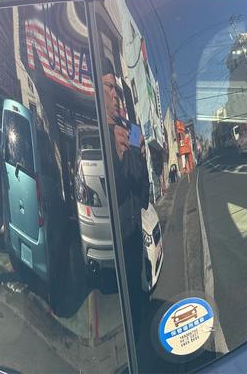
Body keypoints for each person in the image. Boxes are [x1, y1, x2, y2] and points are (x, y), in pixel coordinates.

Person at [101, 57, 150, 340]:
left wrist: (140, 155)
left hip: (134, 228)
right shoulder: (100, 133)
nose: (115, 94)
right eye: (108, 87)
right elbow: (109, 192)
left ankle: (140, 332)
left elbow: (141, 187)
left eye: (116, 88)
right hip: (117, 233)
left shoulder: (130, 130)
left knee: (138, 292)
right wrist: (117, 158)